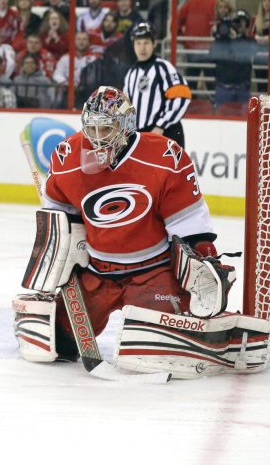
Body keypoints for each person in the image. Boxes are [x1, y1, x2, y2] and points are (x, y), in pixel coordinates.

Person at [14, 86, 259, 380]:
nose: (97, 137)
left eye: (106, 127)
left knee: (150, 351)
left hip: (152, 271)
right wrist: (60, 247)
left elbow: (190, 225)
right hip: (96, 273)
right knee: (55, 344)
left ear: (126, 124)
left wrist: (204, 259)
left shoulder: (163, 156)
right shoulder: (67, 157)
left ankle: (220, 340)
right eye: (91, 128)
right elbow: (61, 218)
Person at [123, 22, 190, 147]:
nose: (142, 48)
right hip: (140, 138)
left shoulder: (163, 68)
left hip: (167, 134)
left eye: (146, 43)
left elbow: (181, 96)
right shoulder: (131, 74)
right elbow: (126, 107)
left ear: (154, 44)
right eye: (138, 43)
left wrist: (161, 125)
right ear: (133, 45)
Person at [208, 9, 256, 113]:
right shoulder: (222, 40)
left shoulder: (249, 41)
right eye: (237, 21)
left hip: (243, 89)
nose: (240, 25)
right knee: (221, 122)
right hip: (223, 88)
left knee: (246, 121)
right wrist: (222, 38)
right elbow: (212, 56)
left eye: (243, 22)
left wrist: (236, 40)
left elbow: (252, 52)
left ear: (247, 24)